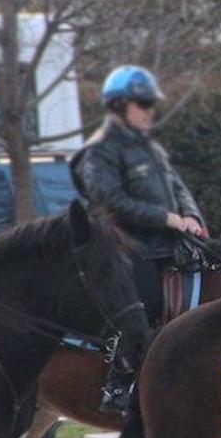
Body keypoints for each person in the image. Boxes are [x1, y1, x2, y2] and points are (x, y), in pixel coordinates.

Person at [69, 64, 207, 414]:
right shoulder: (100, 151)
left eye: (150, 104)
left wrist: (190, 215)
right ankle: (119, 383)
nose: (149, 111)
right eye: (142, 104)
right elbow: (111, 200)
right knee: (142, 305)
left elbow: (176, 185)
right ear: (119, 106)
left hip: (168, 244)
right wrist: (167, 218)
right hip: (127, 249)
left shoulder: (148, 147)